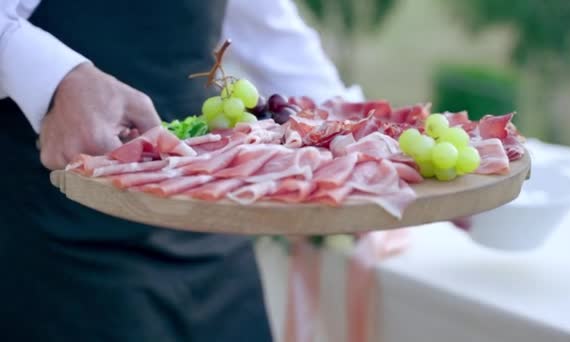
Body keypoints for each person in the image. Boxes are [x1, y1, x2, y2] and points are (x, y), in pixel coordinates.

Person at [0, 0, 358, 341]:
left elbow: (271, 34)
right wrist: (57, 78)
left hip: (212, 224)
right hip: (61, 237)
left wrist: (355, 147)